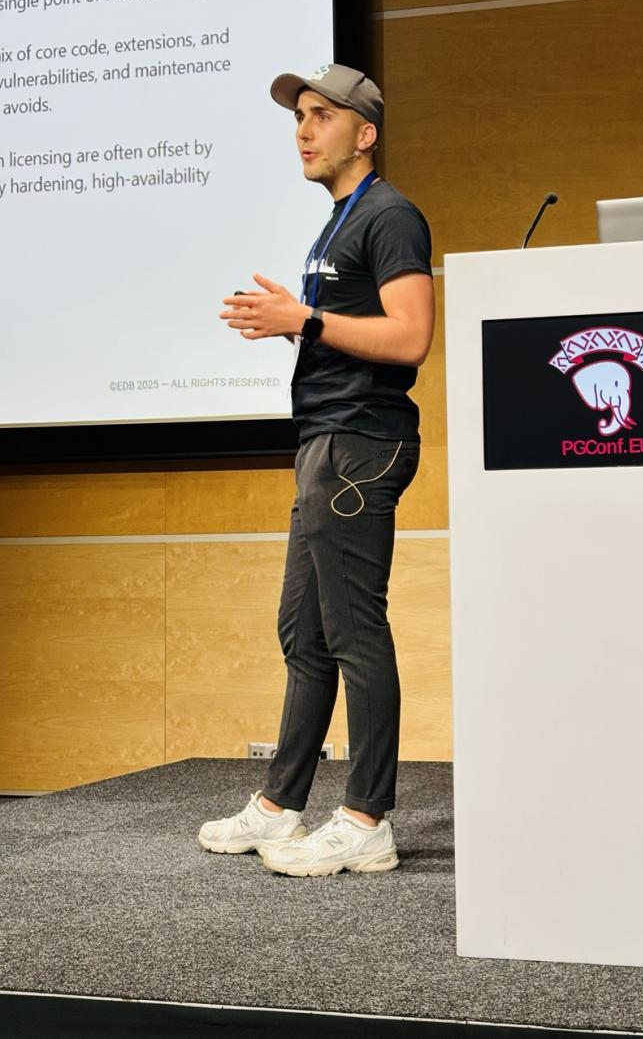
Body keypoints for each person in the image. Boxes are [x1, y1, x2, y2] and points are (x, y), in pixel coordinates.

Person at [198, 63, 434, 877]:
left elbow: (408, 339)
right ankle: (279, 805)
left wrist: (304, 320)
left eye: (321, 115)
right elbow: (341, 328)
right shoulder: (337, 223)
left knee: (355, 629)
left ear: (363, 133)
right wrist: (298, 326)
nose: (303, 128)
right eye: (299, 115)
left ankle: (367, 817)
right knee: (304, 633)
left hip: (362, 444)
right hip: (325, 441)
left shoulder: (390, 216)